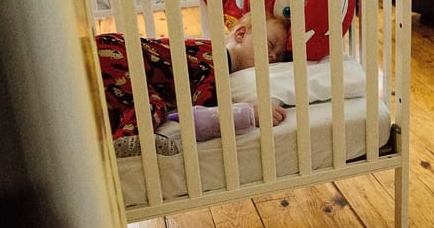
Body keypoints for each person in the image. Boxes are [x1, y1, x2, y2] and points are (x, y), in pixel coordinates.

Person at [96, 13, 290, 154]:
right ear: (240, 34)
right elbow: (203, 111)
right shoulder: (216, 60)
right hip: (118, 53)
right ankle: (124, 141)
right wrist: (249, 112)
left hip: (114, 51)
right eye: (270, 45)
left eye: (279, 56)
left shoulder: (208, 52)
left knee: (118, 109)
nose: (273, 56)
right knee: (150, 104)